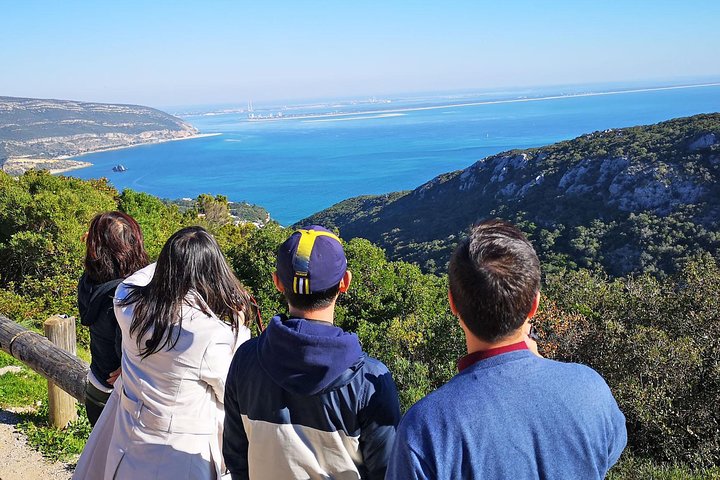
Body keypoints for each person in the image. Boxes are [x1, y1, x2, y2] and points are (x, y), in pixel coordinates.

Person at [386, 219, 627, 480]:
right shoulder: (589, 387)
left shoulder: (425, 429)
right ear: (534, 305)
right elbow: (603, 456)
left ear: (452, 303)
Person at [74, 226, 254, 480]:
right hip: (181, 458)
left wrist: (175, 260)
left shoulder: (127, 303)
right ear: (213, 272)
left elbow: (135, 279)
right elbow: (233, 392)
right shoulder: (210, 334)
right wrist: (239, 324)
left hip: (128, 442)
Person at [223, 226, 401, 480]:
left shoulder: (245, 360)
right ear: (345, 283)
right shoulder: (370, 381)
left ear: (277, 282)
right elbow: (386, 472)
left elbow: (236, 457)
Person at [78, 211, 149, 426]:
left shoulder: (89, 282)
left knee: (100, 458)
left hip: (96, 385)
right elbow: (129, 351)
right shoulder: (124, 296)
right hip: (119, 396)